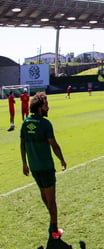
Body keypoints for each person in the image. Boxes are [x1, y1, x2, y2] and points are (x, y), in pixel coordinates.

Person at [20, 92, 67, 239]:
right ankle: (54, 230)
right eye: (46, 105)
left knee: (44, 196)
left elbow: (22, 145)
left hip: (34, 167)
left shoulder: (25, 122)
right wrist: (62, 160)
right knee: (51, 200)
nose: (48, 108)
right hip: (46, 167)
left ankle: (52, 223)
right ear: (40, 107)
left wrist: (24, 163)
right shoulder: (45, 124)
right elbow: (54, 145)